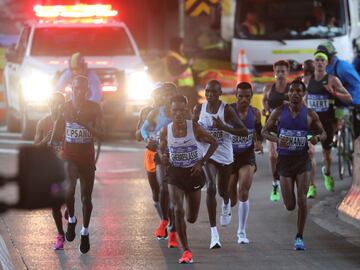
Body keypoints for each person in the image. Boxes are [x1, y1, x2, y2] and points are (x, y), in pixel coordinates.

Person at [262, 79, 327, 250]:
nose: (295, 94)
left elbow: (324, 133)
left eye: (299, 91)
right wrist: (277, 139)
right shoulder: (278, 111)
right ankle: (287, 200)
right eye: (292, 91)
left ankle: (299, 236)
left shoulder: (310, 114)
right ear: (288, 94)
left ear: (303, 94)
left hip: (302, 161)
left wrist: (317, 138)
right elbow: (264, 131)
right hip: (284, 162)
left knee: (302, 200)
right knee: (290, 205)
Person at [159, 94, 218, 264]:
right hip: (175, 173)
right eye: (175, 110)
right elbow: (161, 146)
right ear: (171, 111)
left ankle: (181, 230)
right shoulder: (166, 130)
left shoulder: (195, 128)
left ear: (186, 111)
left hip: (193, 173)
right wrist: (163, 155)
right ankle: (186, 251)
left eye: (181, 110)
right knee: (178, 209)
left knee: (191, 217)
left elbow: (214, 142)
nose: (178, 114)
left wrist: (202, 161)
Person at [51, 75, 103, 254]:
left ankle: (85, 232)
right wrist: (53, 146)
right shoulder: (64, 107)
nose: (79, 91)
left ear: (87, 90)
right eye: (76, 88)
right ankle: (72, 219)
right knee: (69, 190)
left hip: (87, 158)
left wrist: (81, 123)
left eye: (83, 88)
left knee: (86, 198)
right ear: (71, 89)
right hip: (69, 156)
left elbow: (102, 135)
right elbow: (56, 133)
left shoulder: (95, 108)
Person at [193, 80, 247, 249]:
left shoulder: (227, 110)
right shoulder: (198, 109)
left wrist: (224, 127)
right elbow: (192, 128)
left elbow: (243, 131)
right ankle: (214, 234)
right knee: (210, 187)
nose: (210, 94)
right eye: (207, 91)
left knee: (224, 190)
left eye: (214, 92)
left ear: (220, 93)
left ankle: (225, 202)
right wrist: (198, 138)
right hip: (208, 154)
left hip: (224, 155)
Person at [304, 52, 352, 193]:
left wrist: (334, 93)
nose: (319, 62)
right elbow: (303, 98)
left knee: (326, 155)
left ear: (326, 64)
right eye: (317, 60)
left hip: (326, 122)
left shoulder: (332, 80)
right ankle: (312, 186)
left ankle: (327, 174)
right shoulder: (307, 80)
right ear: (313, 63)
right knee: (309, 153)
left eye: (322, 60)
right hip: (311, 122)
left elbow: (348, 98)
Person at [140, 83, 179, 248]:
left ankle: (173, 229)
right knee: (162, 188)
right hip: (159, 153)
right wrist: (148, 139)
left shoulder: (181, 110)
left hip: (178, 154)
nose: (168, 96)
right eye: (165, 93)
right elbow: (143, 130)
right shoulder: (156, 112)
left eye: (171, 93)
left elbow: (192, 128)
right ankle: (165, 220)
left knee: (175, 194)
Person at [228, 82, 263, 244]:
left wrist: (258, 142)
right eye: (240, 96)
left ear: (251, 97)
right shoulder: (228, 111)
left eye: (247, 96)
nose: (244, 99)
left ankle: (241, 232)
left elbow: (258, 132)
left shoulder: (255, 113)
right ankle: (229, 198)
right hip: (229, 157)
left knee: (243, 191)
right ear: (236, 96)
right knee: (231, 197)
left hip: (247, 156)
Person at [34, 92, 65, 250]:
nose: (55, 107)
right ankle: (60, 234)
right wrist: (45, 141)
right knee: (55, 205)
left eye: (59, 103)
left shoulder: (68, 122)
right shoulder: (43, 122)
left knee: (70, 200)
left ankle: (70, 214)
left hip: (68, 167)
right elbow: (35, 147)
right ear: (48, 104)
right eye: (53, 103)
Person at [316, 41, 360, 139]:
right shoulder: (321, 68)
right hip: (334, 100)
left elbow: (357, 84)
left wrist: (357, 102)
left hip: (350, 98)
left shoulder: (343, 67)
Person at [135, 84, 165, 223]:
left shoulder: (171, 110)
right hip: (151, 154)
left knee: (168, 188)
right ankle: (163, 220)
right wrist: (147, 134)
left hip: (168, 153)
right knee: (156, 191)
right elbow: (137, 135)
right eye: (156, 93)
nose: (159, 96)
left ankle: (170, 221)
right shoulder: (146, 111)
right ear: (152, 95)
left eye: (162, 93)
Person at [262, 60, 290, 202]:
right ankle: (275, 183)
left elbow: (301, 104)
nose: (280, 74)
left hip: (289, 127)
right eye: (277, 71)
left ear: (287, 73)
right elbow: (264, 100)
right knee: (273, 155)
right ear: (274, 72)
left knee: (288, 155)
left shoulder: (293, 89)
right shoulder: (268, 87)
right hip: (272, 126)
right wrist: (265, 109)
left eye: (282, 71)